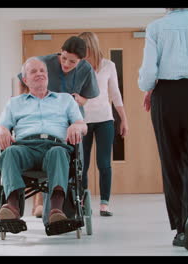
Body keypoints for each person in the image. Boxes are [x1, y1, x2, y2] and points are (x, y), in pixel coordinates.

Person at [0, 57, 88, 227]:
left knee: (58, 152)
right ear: (25, 79)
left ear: (47, 76)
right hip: (25, 148)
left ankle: (56, 210)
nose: (39, 74)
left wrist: (76, 126)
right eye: (33, 71)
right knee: (9, 152)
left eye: (42, 71)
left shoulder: (65, 99)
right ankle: (12, 207)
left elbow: (83, 126)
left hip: (55, 146)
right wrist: (2, 130)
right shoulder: (14, 103)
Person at [17, 36, 100, 218]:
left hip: (70, 120)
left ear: (81, 61)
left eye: (72, 61)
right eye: (64, 58)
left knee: (72, 160)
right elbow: (23, 82)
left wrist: (80, 100)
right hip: (44, 118)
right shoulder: (44, 63)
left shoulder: (85, 70)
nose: (67, 64)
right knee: (39, 149)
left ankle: (64, 204)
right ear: (60, 52)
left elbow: (88, 97)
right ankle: (39, 203)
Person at [138, 8, 188, 251]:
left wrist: (148, 87)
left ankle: (182, 228)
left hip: (167, 96)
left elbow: (148, 73)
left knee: (171, 161)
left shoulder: (156, 27)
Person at [77, 32, 129, 217]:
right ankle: (82, 203)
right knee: (81, 165)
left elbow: (115, 94)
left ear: (91, 46)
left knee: (104, 163)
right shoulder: (78, 66)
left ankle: (105, 203)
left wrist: (123, 118)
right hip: (82, 121)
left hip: (105, 120)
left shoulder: (108, 65)